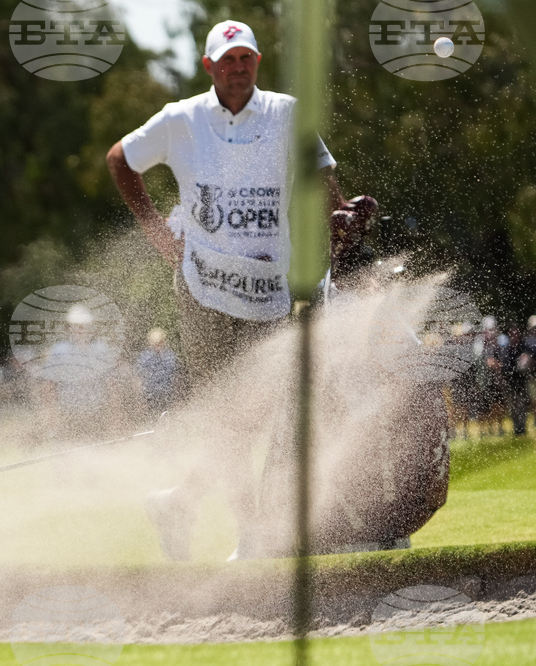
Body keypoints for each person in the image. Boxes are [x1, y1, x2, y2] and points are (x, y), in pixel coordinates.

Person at [106, 20, 356, 560]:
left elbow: (323, 179)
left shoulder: (288, 113)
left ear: (257, 63)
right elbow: (119, 159)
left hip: (270, 292)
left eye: (246, 58)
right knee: (233, 417)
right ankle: (251, 538)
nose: (237, 67)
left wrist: (341, 213)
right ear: (209, 67)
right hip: (203, 290)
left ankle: (178, 501)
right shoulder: (182, 119)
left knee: (257, 414)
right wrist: (154, 229)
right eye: (227, 59)